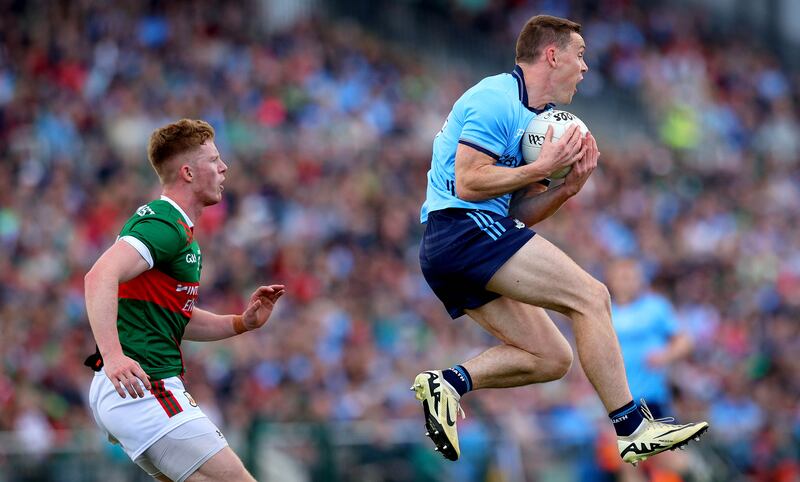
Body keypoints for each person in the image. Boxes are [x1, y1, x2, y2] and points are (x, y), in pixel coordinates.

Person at [412, 15, 708, 466]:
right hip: (461, 228)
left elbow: (515, 216)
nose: (586, 67)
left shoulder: (538, 121)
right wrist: (539, 168)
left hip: (461, 241)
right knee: (591, 297)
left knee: (552, 358)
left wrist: (566, 188)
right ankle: (633, 427)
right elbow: (470, 184)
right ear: (552, 55)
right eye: (580, 55)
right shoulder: (496, 97)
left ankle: (448, 383)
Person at [84, 119, 285, 481]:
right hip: (146, 388)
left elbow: (179, 318)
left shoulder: (179, 233)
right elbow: (98, 277)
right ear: (188, 172)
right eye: (214, 160)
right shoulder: (165, 223)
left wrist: (242, 322)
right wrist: (114, 356)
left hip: (131, 391)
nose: (224, 168)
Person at [606, 258, 696, 480]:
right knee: (626, 459)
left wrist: (665, 355)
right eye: (621, 277)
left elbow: (684, 341)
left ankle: (699, 472)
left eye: (630, 277)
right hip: (617, 399)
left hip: (649, 398)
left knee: (666, 459)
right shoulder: (606, 312)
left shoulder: (655, 307)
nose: (625, 282)